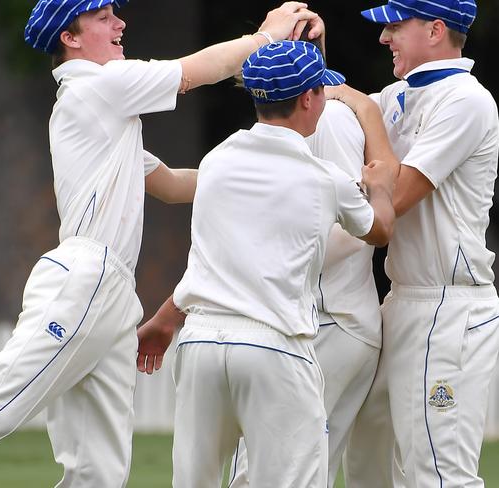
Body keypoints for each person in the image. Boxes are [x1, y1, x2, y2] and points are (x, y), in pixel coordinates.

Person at [0, 2, 323, 487]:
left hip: (114, 294)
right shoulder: (94, 87)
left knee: (98, 470)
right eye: (103, 18)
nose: (120, 25)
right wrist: (266, 37)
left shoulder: (106, 118)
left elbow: (178, 185)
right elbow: (192, 72)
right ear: (71, 39)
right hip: (85, 278)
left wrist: (268, 169)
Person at [137, 40, 396, 487]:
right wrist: (382, 183)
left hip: (200, 344)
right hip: (274, 347)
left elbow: (208, 258)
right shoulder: (324, 178)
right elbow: (380, 230)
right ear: (309, 99)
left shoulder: (218, 162)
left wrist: (165, 319)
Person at [329, 0, 499, 486]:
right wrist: (307, 45)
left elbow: (396, 196)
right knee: (367, 464)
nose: (384, 39)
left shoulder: (465, 99)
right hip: (401, 301)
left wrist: (362, 105)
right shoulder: (399, 95)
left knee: (438, 472)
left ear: (436, 30)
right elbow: (323, 104)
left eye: (396, 27)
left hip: (449, 306)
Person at [226, 95, 384, 488]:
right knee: (306, 470)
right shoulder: (313, 116)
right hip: (330, 321)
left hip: (329, 320)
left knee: (263, 470)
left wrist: (265, 267)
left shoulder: (328, 117)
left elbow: (355, 230)